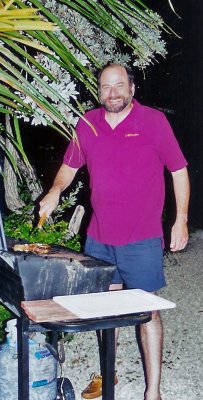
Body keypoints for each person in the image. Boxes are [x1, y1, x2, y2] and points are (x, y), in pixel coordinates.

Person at [39, 64, 190, 400]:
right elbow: (70, 165)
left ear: (132, 88)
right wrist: (55, 191)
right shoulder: (88, 122)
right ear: (98, 91)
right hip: (99, 238)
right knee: (105, 310)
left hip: (142, 238)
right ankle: (108, 375)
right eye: (106, 87)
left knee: (146, 312)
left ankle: (154, 390)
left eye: (119, 85)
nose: (113, 93)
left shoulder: (154, 122)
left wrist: (180, 219)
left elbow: (178, 170)